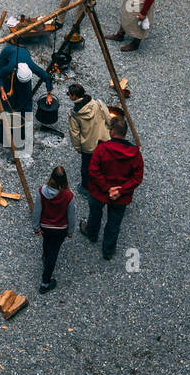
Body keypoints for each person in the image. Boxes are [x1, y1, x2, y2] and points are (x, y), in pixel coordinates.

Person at [83, 115, 143, 260]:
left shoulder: (102, 149)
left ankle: (92, 234)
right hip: (120, 197)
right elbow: (137, 177)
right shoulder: (135, 154)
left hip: (99, 192)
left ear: (111, 132)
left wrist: (107, 188)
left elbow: (93, 170)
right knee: (114, 223)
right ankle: (108, 251)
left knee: (95, 214)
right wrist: (120, 190)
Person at [0, 40, 52, 149]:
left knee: (25, 93)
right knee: (5, 82)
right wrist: (3, 91)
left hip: (24, 53)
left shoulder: (31, 66)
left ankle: (22, 113)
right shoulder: (10, 67)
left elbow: (46, 77)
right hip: (8, 54)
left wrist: (49, 94)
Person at [32, 165, 76, 293]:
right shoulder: (69, 196)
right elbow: (71, 216)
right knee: (54, 253)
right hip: (60, 230)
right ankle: (45, 283)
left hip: (45, 227)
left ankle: (45, 257)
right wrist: (70, 232)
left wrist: (36, 228)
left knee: (46, 243)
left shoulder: (42, 191)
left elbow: (37, 211)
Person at [66, 83, 111, 194]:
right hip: (105, 141)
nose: (68, 96)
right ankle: (104, 184)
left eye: (69, 94)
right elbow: (108, 118)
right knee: (104, 164)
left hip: (89, 147)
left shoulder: (75, 115)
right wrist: (108, 131)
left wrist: (78, 148)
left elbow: (74, 134)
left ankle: (86, 188)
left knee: (86, 168)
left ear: (75, 96)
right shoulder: (98, 103)